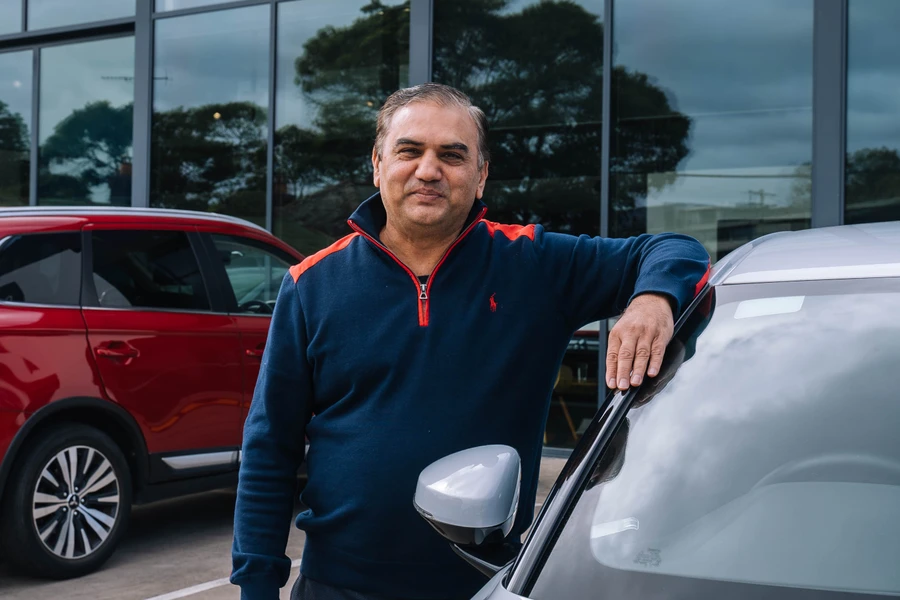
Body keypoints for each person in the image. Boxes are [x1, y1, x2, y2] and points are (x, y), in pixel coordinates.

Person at [230, 83, 710, 600]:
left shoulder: (534, 264)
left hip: (485, 585)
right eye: (409, 150)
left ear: (480, 175)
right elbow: (270, 448)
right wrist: (257, 585)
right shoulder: (311, 284)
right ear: (377, 164)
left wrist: (652, 299)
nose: (428, 170)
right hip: (335, 586)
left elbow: (675, 248)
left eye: (452, 155)